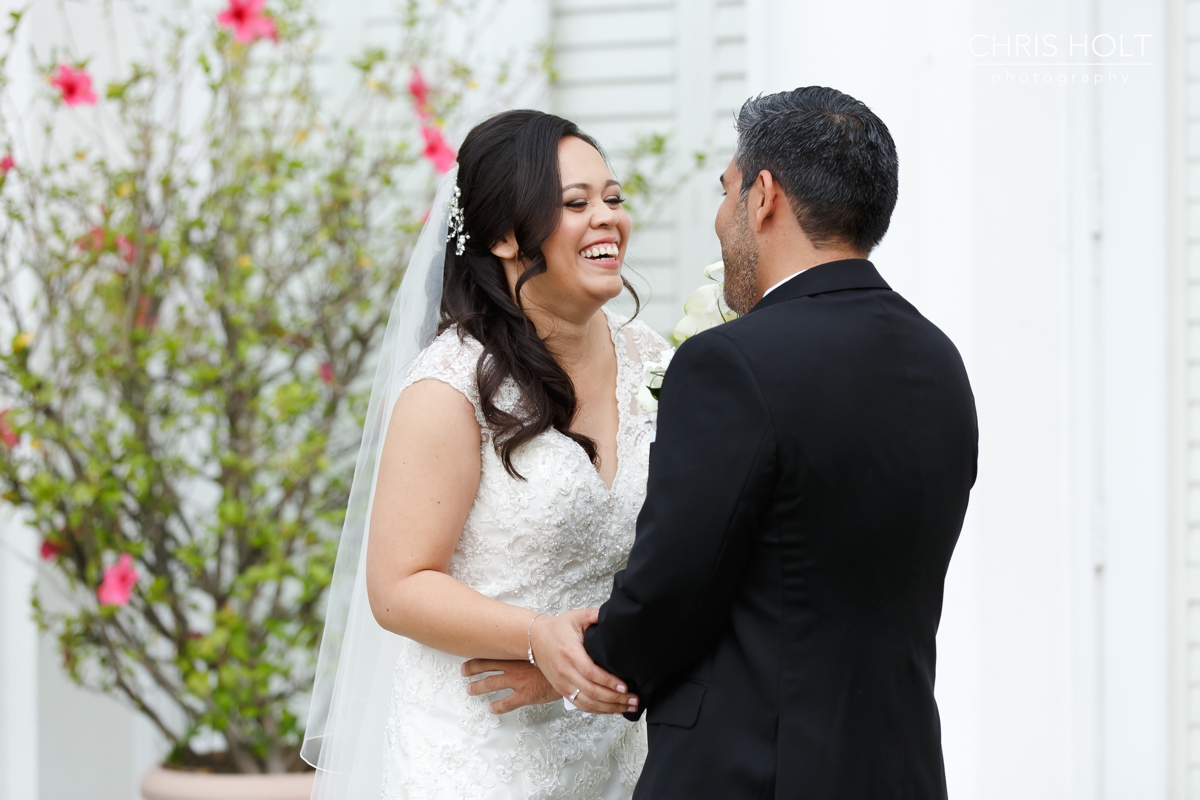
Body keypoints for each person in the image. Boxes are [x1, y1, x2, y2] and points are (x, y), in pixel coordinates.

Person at [513, 87, 979, 799]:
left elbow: (675, 583)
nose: (720, 215)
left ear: (763, 196)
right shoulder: (939, 360)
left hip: (753, 771)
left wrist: (581, 662)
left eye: (726, 189)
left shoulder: (730, 363)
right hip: (902, 769)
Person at [305, 109, 671, 800]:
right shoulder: (450, 389)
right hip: (479, 752)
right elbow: (399, 585)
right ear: (504, 234)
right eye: (575, 204)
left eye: (613, 199)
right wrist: (538, 637)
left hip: (618, 742)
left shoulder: (657, 361)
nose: (607, 219)